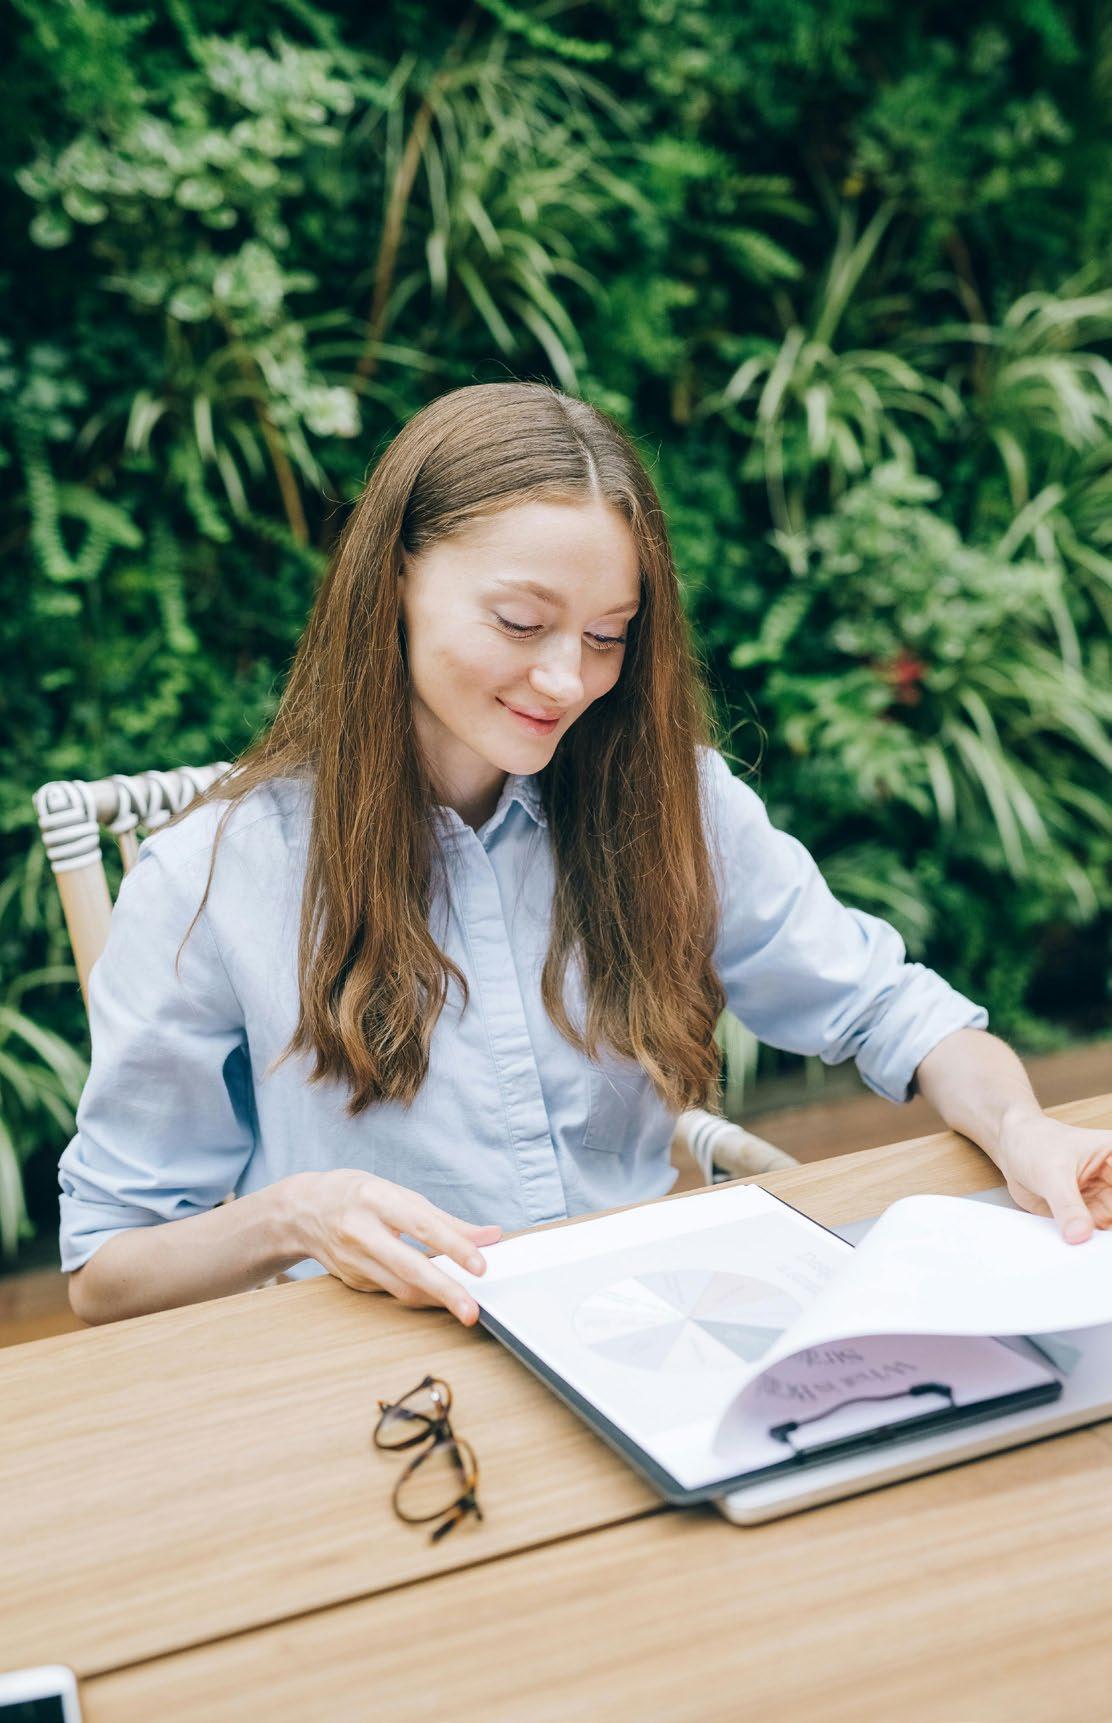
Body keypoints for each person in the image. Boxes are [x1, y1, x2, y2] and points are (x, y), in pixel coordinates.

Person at [60, 383, 1112, 1326]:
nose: (567, 680)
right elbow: (104, 1269)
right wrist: (294, 1215)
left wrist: (1022, 1127)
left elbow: (894, 1009)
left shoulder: (672, 802)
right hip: (386, 1384)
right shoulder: (216, 875)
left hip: (645, 1330)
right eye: (521, 622)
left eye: (607, 636)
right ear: (391, 583)